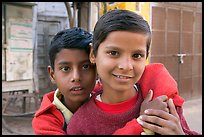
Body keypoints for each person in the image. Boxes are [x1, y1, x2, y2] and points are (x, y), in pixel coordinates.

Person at [66, 9, 200, 135]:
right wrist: (141, 122)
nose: (126, 66)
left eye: (137, 56)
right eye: (113, 53)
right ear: (93, 54)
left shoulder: (164, 104)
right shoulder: (81, 124)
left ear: (146, 57)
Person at [31, 27, 166, 135]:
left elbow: (155, 73)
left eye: (85, 67)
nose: (76, 77)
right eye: (65, 68)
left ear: (96, 65)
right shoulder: (45, 121)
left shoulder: (105, 92)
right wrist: (142, 122)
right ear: (52, 74)